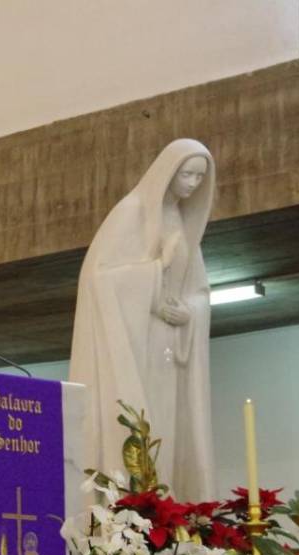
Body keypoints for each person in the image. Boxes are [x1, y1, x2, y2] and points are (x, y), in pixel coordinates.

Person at [68, 139, 216, 503]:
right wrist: (155, 275)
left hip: (169, 353)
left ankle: (170, 509)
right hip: (136, 349)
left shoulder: (182, 221)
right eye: (187, 174)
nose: (193, 184)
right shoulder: (131, 212)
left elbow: (198, 291)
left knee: (168, 432)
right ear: (167, 171)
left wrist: (191, 312)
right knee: (137, 427)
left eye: (200, 177)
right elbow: (99, 279)